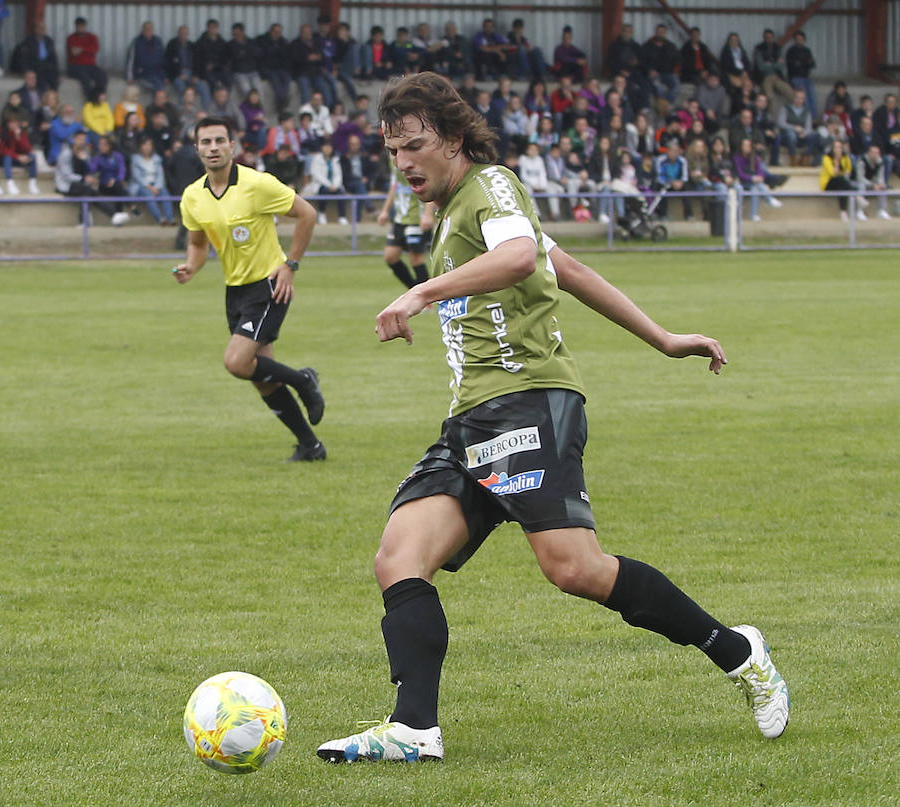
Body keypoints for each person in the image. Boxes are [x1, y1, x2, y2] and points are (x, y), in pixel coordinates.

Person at [315, 72, 790, 764]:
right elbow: (563, 265)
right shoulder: (453, 208)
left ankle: (739, 651)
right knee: (400, 555)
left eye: (415, 145)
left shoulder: (493, 186)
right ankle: (413, 727)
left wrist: (422, 290)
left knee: (574, 568)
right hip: (473, 418)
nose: (404, 163)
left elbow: (519, 257)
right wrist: (662, 337)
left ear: (453, 139)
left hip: (529, 402)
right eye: (393, 152)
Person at [174, 116, 326, 462]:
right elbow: (197, 245)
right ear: (197, 148)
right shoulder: (192, 197)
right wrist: (191, 267)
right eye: (205, 142)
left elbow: (307, 214)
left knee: (237, 362)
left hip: (269, 285)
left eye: (219, 141)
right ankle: (310, 446)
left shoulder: (257, 184)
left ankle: (305, 380)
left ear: (233, 145)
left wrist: (291, 265)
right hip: (236, 291)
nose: (213, 148)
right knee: (263, 378)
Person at [378, 158, 433, 288]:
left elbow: (430, 187)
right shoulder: (394, 164)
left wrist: (427, 214)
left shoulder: (416, 162)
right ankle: (413, 292)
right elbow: (395, 186)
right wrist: (385, 211)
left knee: (416, 259)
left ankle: (425, 297)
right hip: (399, 219)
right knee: (390, 257)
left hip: (415, 220)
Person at [820, 138, 864, 221]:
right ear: (832, 149)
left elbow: (848, 170)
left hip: (841, 183)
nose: (838, 150)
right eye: (836, 147)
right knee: (840, 179)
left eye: (839, 147)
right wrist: (836, 161)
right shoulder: (826, 158)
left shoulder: (845, 157)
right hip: (828, 184)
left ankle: (843, 212)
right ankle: (857, 195)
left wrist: (844, 172)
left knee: (842, 187)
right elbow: (833, 174)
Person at [65, 18, 107, 101]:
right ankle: (90, 100)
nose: (80, 28)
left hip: (90, 66)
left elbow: (95, 49)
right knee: (85, 79)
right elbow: (74, 52)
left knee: (102, 75)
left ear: (85, 26)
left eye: (82, 26)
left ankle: (99, 96)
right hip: (75, 66)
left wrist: (81, 49)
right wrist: (87, 49)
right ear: (75, 27)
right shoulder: (71, 38)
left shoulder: (92, 37)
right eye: (78, 26)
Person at [12, 20, 59, 92]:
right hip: (34, 66)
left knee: (54, 80)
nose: (42, 30)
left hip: (46, 66)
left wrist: (57, 73)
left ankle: (53, 97)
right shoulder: (29, 41)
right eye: (40, 28)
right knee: (39, 81)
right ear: (36, 29)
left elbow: (54, 58)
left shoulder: (49, 41)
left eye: (44, 28)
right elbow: (24, 58)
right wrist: (27, 70)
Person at [784, 31, 816, 122]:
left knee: (812, 97)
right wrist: (804, 63)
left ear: (804, 40)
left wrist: (802, 63)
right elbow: (792, 66)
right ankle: (806, 118)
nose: (799, 41)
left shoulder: (807, 50)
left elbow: (812, 64)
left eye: (801, 39)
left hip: (806, 77)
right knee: (804, 98)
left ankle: (812, 118)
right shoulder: (791, 51)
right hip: (796, 77)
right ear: (794, 40)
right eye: (797, 39)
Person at [126, 21, 165, 93]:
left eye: (151, 29)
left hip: (158, 73)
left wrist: (166, 76)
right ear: (143, 30)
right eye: (147, 29)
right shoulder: (136, 42)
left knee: (159, 84)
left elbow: (163, 59)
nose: (149, 31)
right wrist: (130, 76)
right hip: (143, 73)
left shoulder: (158, 41)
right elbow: (130, 60)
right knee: (158, 86)